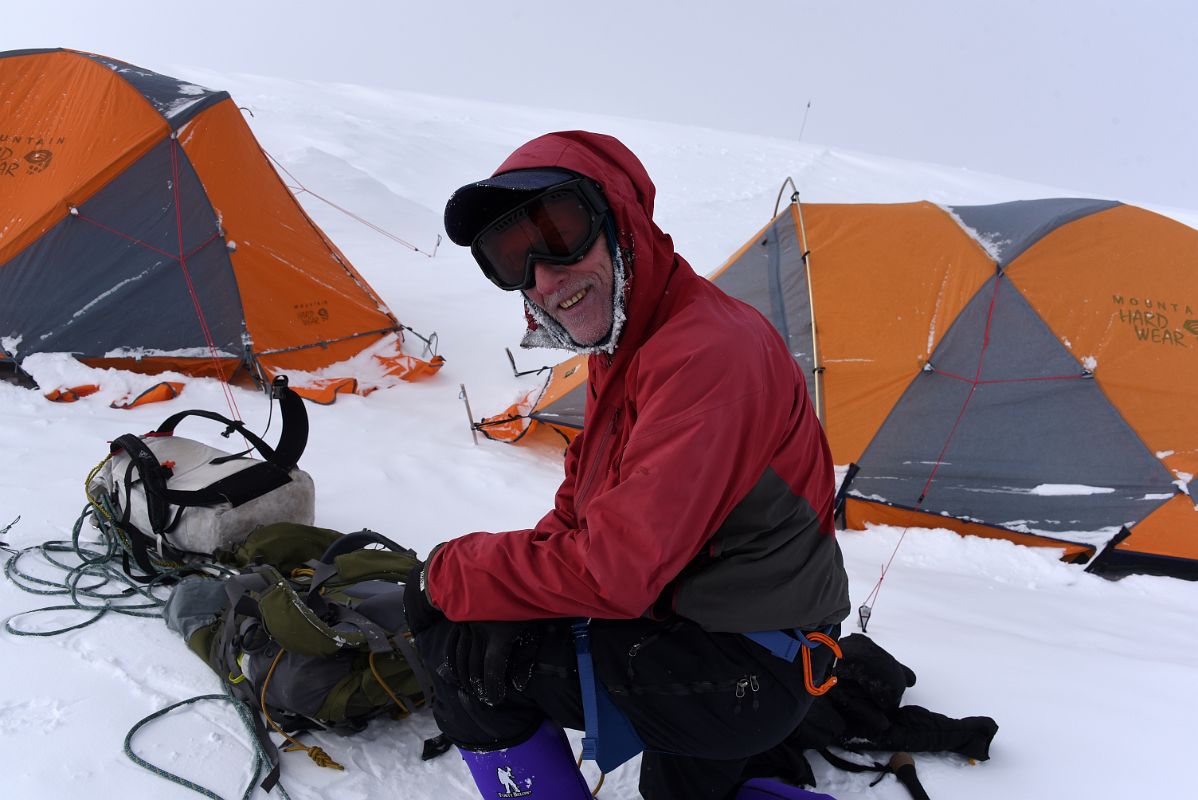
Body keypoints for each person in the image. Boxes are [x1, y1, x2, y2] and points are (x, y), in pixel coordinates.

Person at [403, 130, 850, 800]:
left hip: (745, 661)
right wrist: (490, 589)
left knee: (470, 660)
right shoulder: (634, 345)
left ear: (621, 221)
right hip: (726, 625)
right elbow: (577, 513)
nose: (545, 279)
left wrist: (448, 575)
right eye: (512, 259)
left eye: (561, 231)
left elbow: (615, 573)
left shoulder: (704, 355)